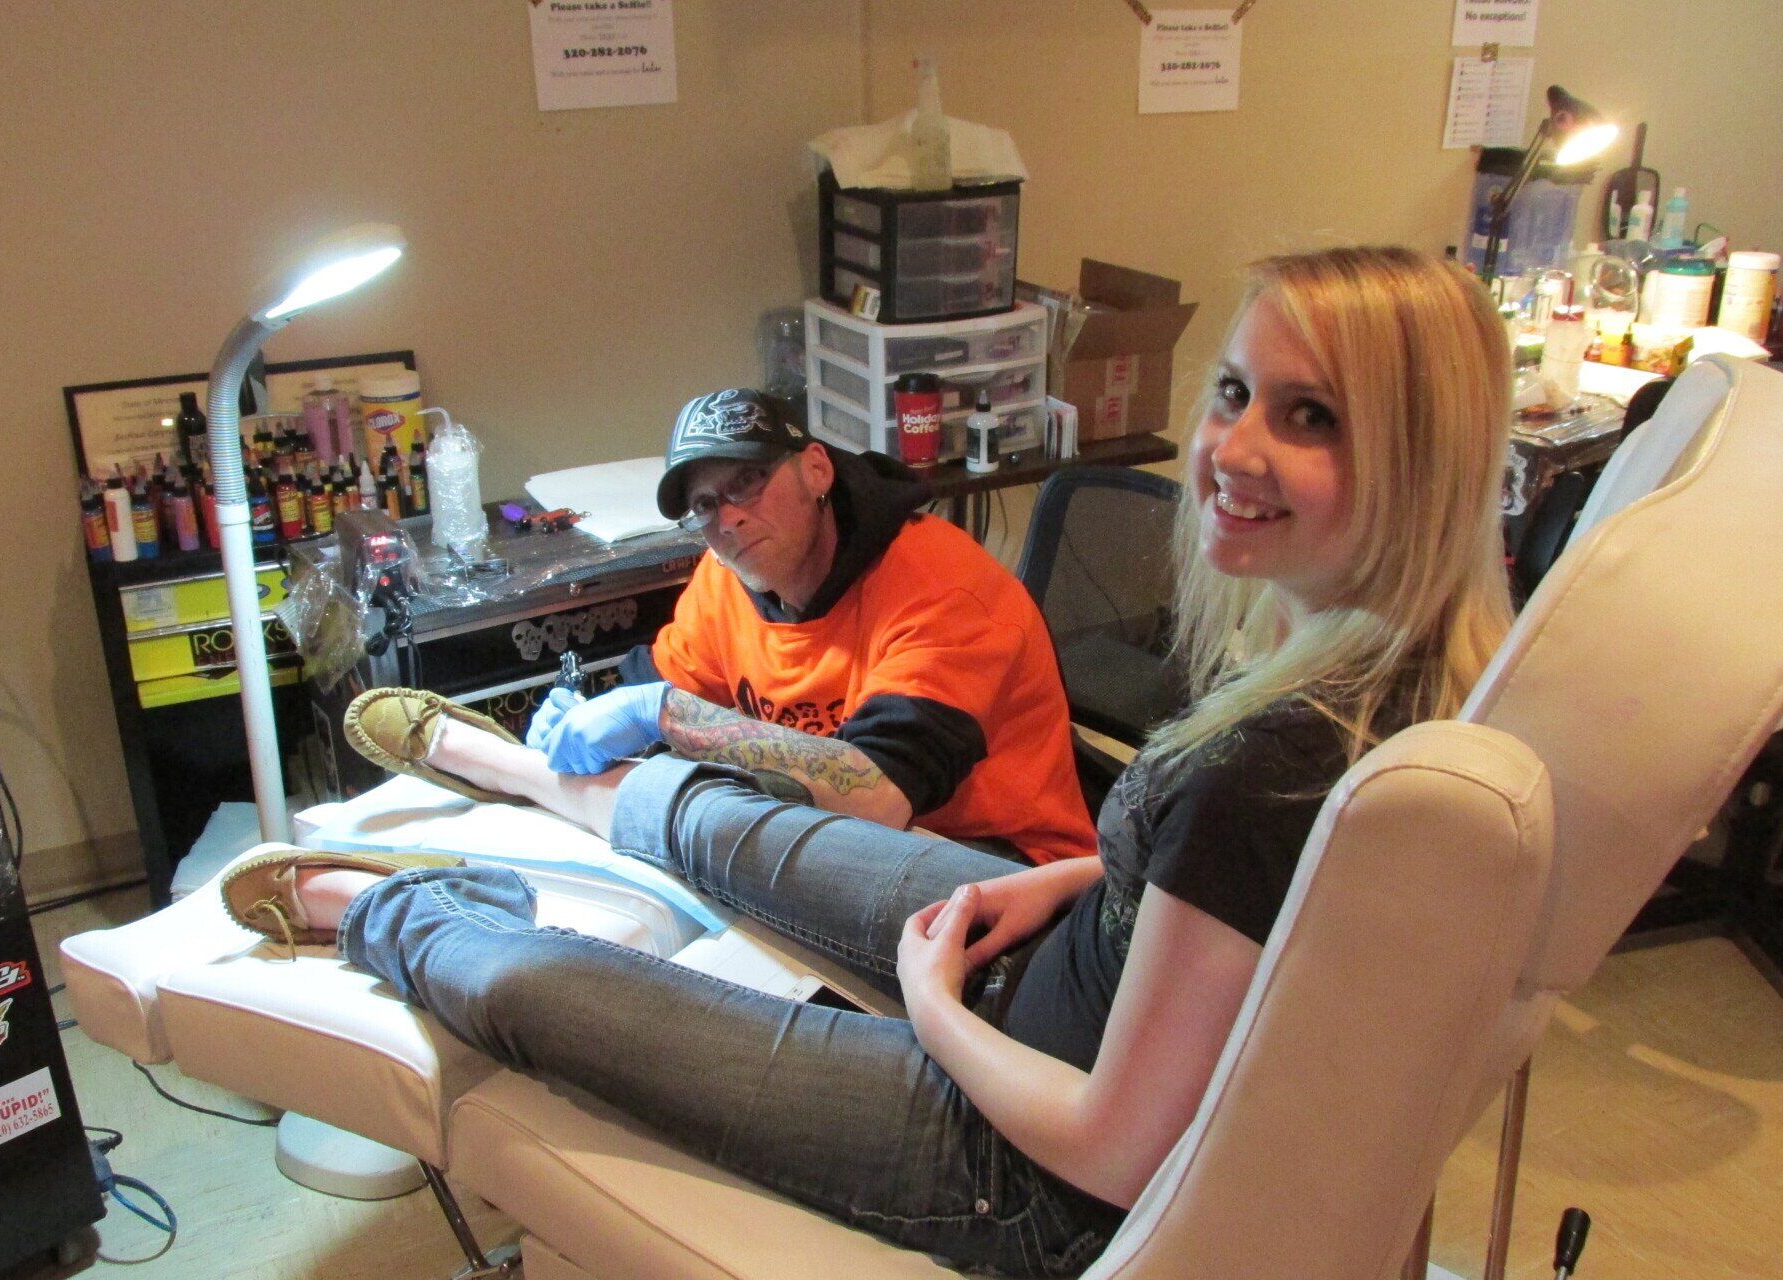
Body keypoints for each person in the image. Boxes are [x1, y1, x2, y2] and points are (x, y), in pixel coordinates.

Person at [224, 247, 1514, 1277]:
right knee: (696, 810)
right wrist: (1067, 885)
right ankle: (504, 775)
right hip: (1049, 952)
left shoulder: (1269, 751)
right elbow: (1213, 904)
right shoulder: (1350, 671)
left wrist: (936, 1005)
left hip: (1015, 1155)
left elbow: (1118, 1145)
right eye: (1232, 393)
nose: (1232, 449)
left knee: (532, 985)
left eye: (1311, 417)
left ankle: (381, 902)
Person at [346, 386, 1098, 864]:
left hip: (999, 867)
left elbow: (876, 796)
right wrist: (611, 710)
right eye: (705, 505)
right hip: (860, 842)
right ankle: (517, 777)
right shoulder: (728, 575)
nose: (728, 519)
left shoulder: (942, 586)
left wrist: (663, 715)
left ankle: (487, 764)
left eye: (747, 482)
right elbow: (659, 686)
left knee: (708, 835)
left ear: (814, 470)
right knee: (676, 829)